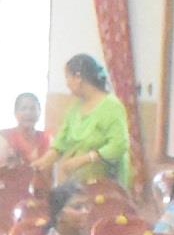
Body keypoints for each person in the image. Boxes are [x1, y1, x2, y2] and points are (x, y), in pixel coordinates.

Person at [51, 54, 132, 186]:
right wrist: (44, 161)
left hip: (105, 185)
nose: (67, 84)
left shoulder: (112, 106)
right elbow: (62, 140)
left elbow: (119, 145)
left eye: (67, 77)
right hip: (77, 184)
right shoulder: (75, 107)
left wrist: (85, 159)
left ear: (78, 78)